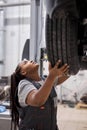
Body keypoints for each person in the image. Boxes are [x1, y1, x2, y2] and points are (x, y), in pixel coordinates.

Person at [10, 59, 69, 130]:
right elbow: (37, 101)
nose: (31, 60)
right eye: (26, 63)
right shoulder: (24, 84)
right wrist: (52, 76)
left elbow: (67, 74)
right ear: (23, 72)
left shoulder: (45, 80)